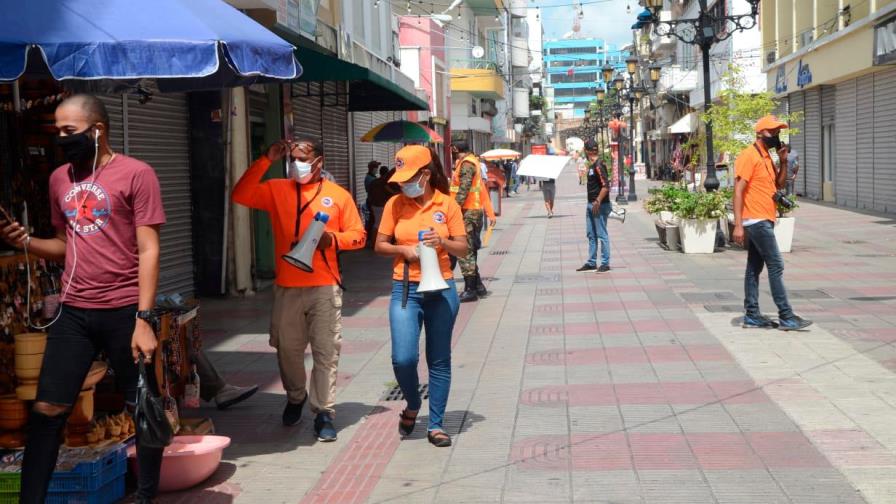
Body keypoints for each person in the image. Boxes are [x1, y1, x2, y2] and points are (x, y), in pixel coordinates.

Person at [0, 94, 164, 503]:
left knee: (142, 406)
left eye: (68, 131)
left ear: (97, 130)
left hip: (126, 308)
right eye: (57, 131)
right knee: (47, 411)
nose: (61, 138)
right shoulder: (60, 179)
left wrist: (144, 318)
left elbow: (149, 249)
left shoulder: (136, 173)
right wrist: (28, 243)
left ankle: (146, 495)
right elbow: (64, 245)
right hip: (74, 311)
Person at [232, 136, 365, 441]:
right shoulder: (277, 189)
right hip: (287, 287)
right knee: (287, 349)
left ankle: (324, 411)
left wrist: (335, 240)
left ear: (320, 162)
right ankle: (295, 396)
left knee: (325, 351)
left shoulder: (337, 195)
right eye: (293, 157)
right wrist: (266, 159)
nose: (297, 163)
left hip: (324, 287)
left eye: (303, 158)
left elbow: (359, 236)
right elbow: (241, 194)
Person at [374, 145, 467, 448]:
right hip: (405, 289)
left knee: (439, 359)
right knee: (403, 358)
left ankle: (436, 424)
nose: (403, 184)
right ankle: (413, 404)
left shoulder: (448, 204)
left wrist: (442, 241)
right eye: (400, 178)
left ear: (425, 174)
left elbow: (463, 249)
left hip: (441, 289)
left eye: (409, 177)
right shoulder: (395, 205)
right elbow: (379, 244)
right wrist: (402, 250)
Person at [731, 115, 812, 331]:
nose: (776, 136)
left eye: (778, 132)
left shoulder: (766, 156)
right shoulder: (749, 155)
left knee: (754, 268)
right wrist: (738, 225)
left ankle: (752, 315)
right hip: (755, 220)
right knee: (776, 265)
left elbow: (778, 183)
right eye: (772, 132)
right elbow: (737, 191)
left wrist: (783, 161)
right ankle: (786, 316)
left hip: (765, 217)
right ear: (760, 133)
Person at [449, 142, 486, 303]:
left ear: (456, 150)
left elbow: (463, 189)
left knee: (465, 251)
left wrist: (454, 210)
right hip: (471, 210)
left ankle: (470, 289)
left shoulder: (466, 164)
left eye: (452, 151)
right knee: (469, 249)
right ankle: (478, 285)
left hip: (467, 212)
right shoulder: (471, 161)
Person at [577, 139, 612, 273]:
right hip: (590, 204)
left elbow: (605, 186)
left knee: (602, 234)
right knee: (591, 234)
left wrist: (597, 201)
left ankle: (605, 262)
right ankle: (591, 262)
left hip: (599, 205)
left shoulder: (598, 165)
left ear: (587, 151)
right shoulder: (592, 165)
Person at [363, 161, 381, 246]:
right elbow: (373, 190)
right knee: (373, 221)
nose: (377, 169)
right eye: (376, 167)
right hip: (372, 201)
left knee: (372, 220)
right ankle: (370, 239)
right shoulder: (370, 179)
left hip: (372, 200)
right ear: (372, 168)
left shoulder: (372, 177)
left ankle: (370, 238)